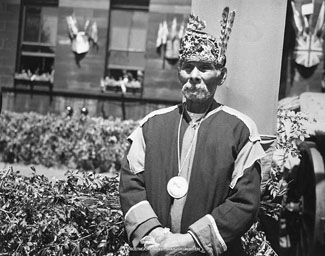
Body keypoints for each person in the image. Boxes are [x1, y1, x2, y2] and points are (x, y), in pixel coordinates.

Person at [119, 7, 266, 256]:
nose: (194, 76)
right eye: (188, 66)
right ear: (179, 73)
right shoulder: (152, 126)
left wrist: (187, 243)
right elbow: (130, 184)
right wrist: (155, 235)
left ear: (221, 76)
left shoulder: (241, 130)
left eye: (205, 67)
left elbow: (244, 202)